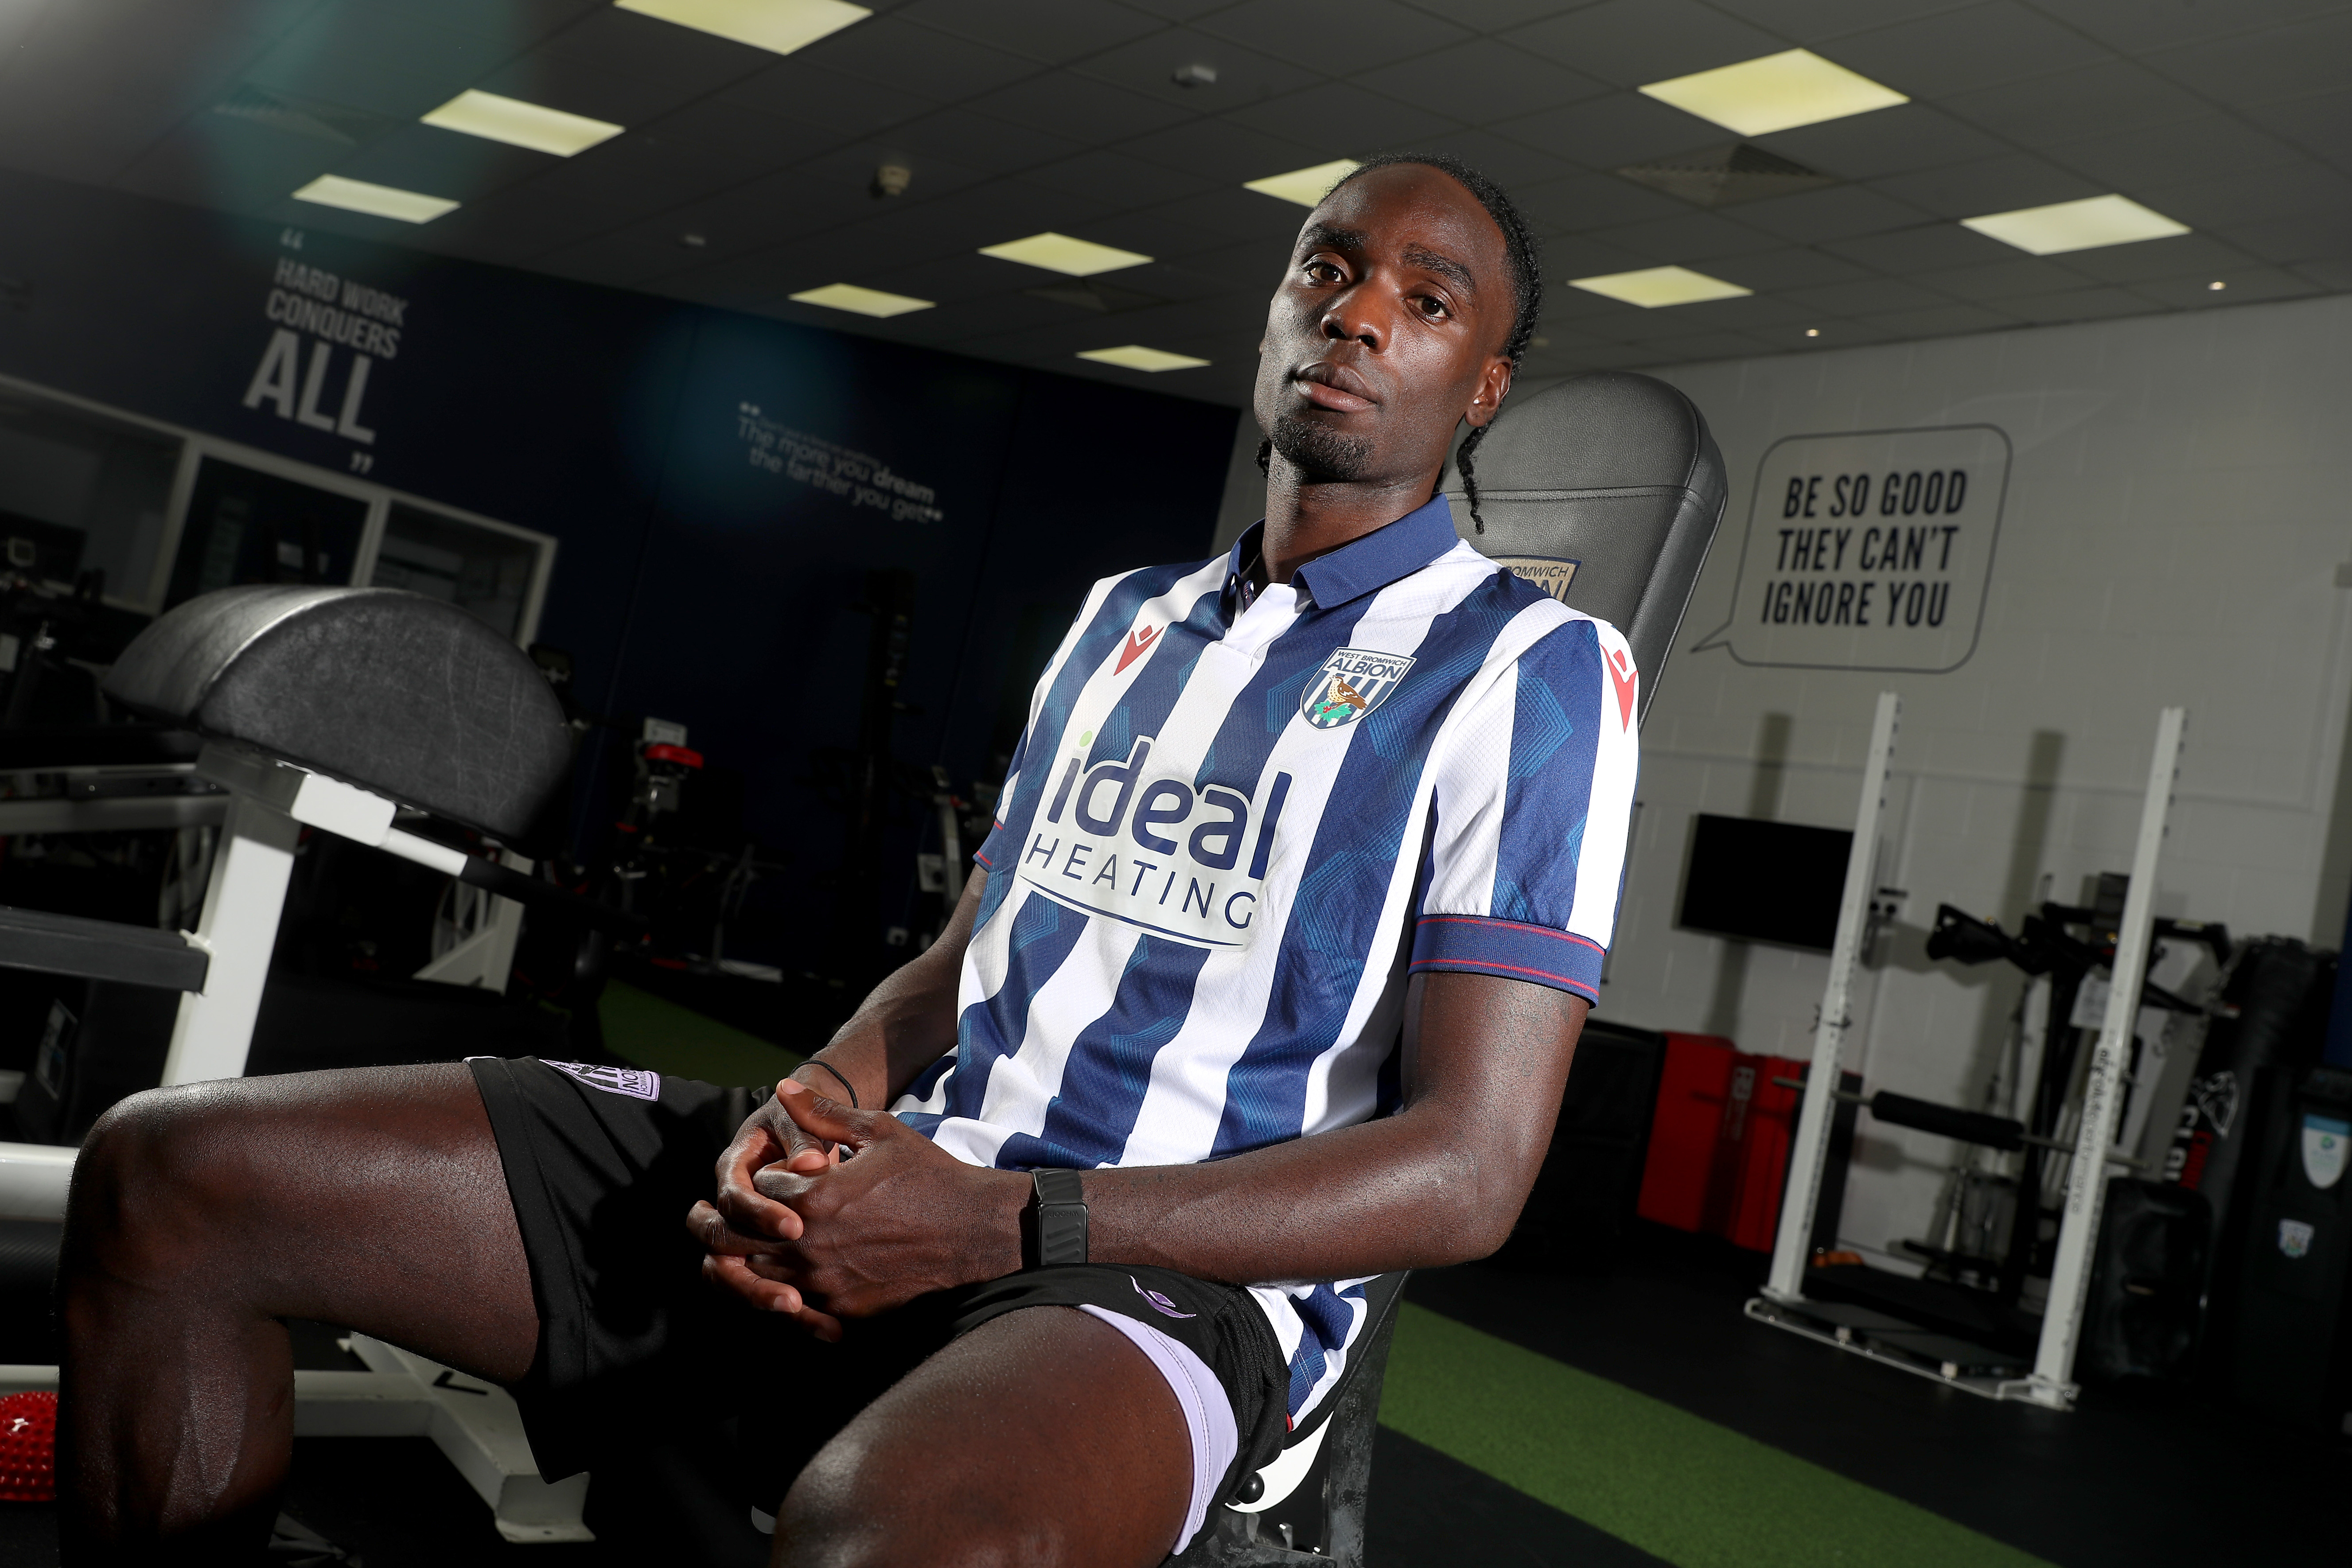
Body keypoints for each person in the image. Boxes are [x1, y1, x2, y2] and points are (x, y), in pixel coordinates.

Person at [57, 152, 1639, 1567]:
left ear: (1480, 385)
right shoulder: (1123, 617)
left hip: (1150, 1276)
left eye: (1424, 302)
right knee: (175, 1173)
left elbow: (1469, 1169)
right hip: (917, 1163)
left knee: (890, 1536)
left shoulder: (1534, 671)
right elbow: (969, 957)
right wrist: (812, 1112)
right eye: (1328, 266)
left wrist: (1007, 1225)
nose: (1358, 315)